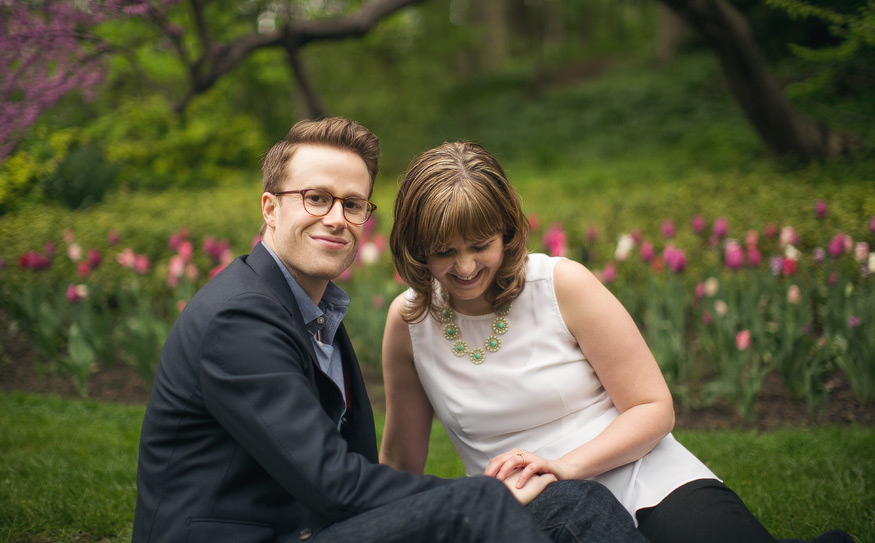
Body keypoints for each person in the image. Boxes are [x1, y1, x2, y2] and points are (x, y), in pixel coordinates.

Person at [132, 118, 647, 543]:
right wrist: (485, 494)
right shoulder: (239, 318)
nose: (336, 217)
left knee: (568, 502)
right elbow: (332, 483)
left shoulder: (313, 314)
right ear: (270, 208)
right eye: (316, 198)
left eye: (353, 204)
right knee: (482, 509)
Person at [381, 141, 856, 543]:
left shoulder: (561, 285)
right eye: (445, 252)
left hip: (643, 472)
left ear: (506, 233)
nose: (464, 268)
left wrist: (564, 466)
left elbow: (653, 406)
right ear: (417, 248)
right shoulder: (410, 322)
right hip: (525, 507)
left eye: (479, 245)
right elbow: (401, 462)